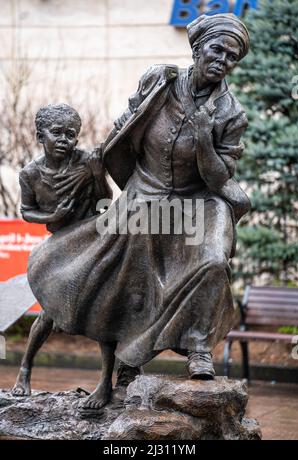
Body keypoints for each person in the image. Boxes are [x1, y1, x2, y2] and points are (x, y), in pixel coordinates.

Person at [26, 13, 251, 410]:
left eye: (232, 57)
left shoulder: (231, 113)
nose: (223, 60)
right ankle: (128, 363)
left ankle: (199, 346)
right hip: (144, 193)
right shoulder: (159, 80)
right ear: (198, 48)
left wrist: (203, 140)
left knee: (214, 261)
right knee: (127, 272)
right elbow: (130, 123)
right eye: (217, 49)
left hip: (200, 200)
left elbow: (220, 178)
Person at [12, 103, 113, 396]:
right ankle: (25, 369)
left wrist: (97, 175)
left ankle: (107, 381)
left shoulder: (86, 163)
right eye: (56, 133)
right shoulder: (29, 174)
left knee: (105, 308)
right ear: (39, 136)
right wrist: (53, 217)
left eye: (71, 134)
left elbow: (105, 202)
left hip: (92, 241)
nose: (64, 140)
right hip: (59, 248)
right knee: (48, 315)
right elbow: (27, 211)